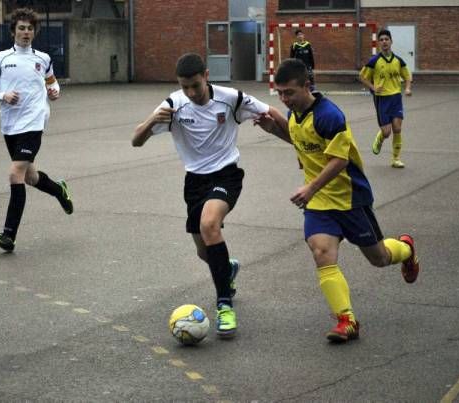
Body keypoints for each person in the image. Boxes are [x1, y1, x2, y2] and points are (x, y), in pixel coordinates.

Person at [254, 58, 420, 343]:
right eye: (280, 93)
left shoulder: (330, 115)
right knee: (321, 252)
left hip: (349, 198)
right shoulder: (295, 115)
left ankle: (405, 248)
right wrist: (275, 130)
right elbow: (304, 142)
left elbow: (339, 160)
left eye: (289, 92)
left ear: (307, 86)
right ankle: (346, 320)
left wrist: (311, 188)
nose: (284, 98)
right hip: (320, 204)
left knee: (379, 258)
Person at [132, 53, 275, 338]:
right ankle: (227, 267)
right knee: (204, 250)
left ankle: (225, 305)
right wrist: (151, 121)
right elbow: (136, 141)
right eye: (185, 87)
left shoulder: (230, 98)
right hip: (194, 182)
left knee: (210, 224)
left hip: (226, 175)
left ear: (206, 76)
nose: (191, 93)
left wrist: (299, 144)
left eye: (195, 85)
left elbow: (270, 112)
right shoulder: (173, 104)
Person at [0, 8, 73, 252]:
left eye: (30, 28)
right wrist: (3, 95)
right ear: (13, 31)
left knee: (15, 175)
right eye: (21, 28)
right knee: (31, 177)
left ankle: (8, 235)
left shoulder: (43, 58)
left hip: (34, 123)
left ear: (35, 32)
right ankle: (59, 190)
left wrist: (55, 92)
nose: (26, 32)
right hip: (10, 125)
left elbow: (52, 82)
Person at [359, 29, 412, 168]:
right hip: (382, 99)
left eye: (386, 39)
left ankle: (396, 159)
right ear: (378, 43)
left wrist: (407, 88)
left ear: (391, 42)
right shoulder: (374, 61)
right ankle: (380, 137)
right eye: (381, 40)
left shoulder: (398, 61)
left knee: (397, 128)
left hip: (396, 98)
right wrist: (373, 87)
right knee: (387, 132)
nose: (384, 42)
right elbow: (362, 76)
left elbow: (407, 76)